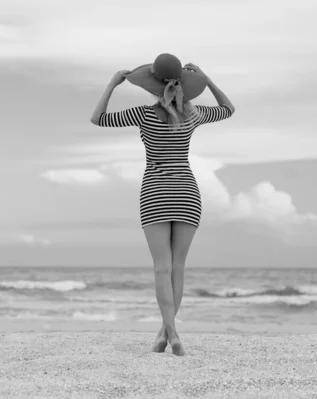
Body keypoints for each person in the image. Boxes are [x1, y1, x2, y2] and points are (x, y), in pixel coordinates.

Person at [90, 53, 235, 356]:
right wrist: (207, 79)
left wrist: (112, 85)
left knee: (161, 268)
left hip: (155, 192)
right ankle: (166, 335)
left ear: (152, 86)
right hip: (186, 192)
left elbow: (98, 118)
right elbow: (228, 109)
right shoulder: (193, 115)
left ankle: (171, 333)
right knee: (178, 268)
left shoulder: (143, 114)